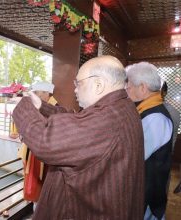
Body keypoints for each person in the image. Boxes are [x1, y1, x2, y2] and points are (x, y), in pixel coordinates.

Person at [12, 55, 144, 219]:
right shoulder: (120, 106)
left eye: (78, 83)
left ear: (98, 85)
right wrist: (40, 106)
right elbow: (76, 120)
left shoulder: (108, 119)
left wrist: (23, 106)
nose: (75, 89)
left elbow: (45, 142)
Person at [125, 62, 173, 220]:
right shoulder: (147, 110)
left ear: (143, 88)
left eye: (129, 86)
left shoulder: (155, 118)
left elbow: (132, 156)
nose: (127, 90)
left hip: (148, 192)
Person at [18, 82, 57, 203]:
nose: (35, 97)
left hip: (43, 155)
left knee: (41, 186)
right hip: (32, 151)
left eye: (37, 94)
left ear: (46, 93)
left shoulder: (54, 108)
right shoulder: (40, 105)